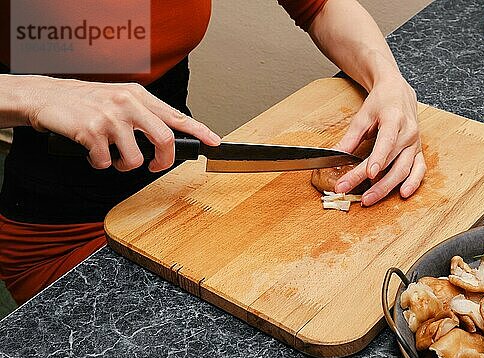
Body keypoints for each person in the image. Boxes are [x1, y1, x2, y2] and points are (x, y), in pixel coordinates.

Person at [0, 0, 426, 305]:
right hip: (64, 231)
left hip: (178, 195)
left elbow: (320, 6)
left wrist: (388, 81)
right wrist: (37, 95)